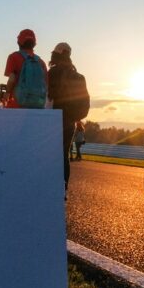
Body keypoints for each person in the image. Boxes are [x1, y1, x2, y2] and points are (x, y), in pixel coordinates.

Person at [46, 42, 89, 190]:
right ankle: (63, 189)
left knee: (48, 155)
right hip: (68, 122)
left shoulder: (51, 73)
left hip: (50, 120)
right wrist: (73, 118)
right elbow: (84, 106)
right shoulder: (79, 77)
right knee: (63, 155)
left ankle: (48, 189)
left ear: (56, 54)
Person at [5, 28, 48, 108]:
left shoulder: (13, 57)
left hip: (17, 104)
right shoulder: (40, 62)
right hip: (37, 105)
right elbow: (45, 84)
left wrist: (7, 93)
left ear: (19, 42)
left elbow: (12, 79)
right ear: (34, 43)